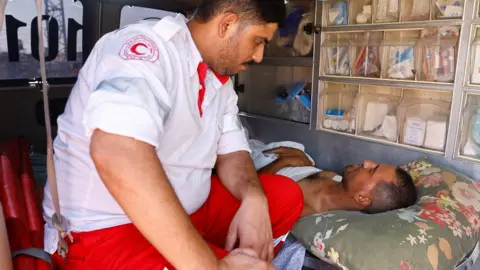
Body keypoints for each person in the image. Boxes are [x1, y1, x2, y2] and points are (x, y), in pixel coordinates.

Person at [42, 1, 304, 270]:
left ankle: (204, 252)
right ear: (227, 24)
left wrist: (253, 198)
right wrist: (211, 266)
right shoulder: (147, 49)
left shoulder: (219, 78)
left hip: (188, 212)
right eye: (257, 41)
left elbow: (233, 151)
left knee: (283, 197)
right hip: (105, 231)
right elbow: (116, 151)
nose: (259, 56)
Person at [258, 147, 418, 216]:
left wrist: (281, 163)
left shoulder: (304, 208)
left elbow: (246, 197)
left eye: (371, 170)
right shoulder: (334, 178)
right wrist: (303, 162)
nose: (367, 162)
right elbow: (308, 173)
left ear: (362, 198)